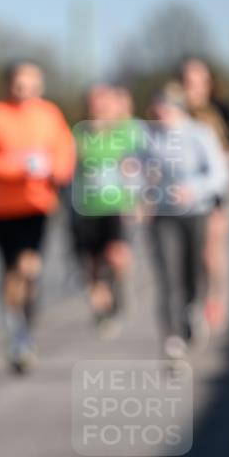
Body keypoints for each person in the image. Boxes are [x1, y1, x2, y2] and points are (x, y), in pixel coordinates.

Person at [0, 61, 75, 372]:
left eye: (32, 84)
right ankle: (15, 328)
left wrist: (54, 169)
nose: (25, 90)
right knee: (12, 273)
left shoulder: (49, 114)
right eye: (20, 83)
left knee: (29, 268)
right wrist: (17, 166)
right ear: (9, 84)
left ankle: (25, 328)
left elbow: (65, 153)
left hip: (37, 207)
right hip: (3, 210)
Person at [143, 82, 228, 361]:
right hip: (162, 215)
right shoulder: (148, 136)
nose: (162, 113)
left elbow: (218, 174)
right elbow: (134, 169)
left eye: (167, 107)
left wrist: (194, 189)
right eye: (158, 107)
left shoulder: (199, 134)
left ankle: (192, 309)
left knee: (192, 271)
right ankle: (172, 337)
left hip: (195, 213)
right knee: (167, 275)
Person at [70, 85, 145, 338]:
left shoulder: (128, 132)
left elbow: (141, 167)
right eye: (94, 103)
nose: (98, 108)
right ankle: (104, 312)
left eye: (104, 103)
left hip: (117, 206)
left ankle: (120, 289)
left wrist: (138, 200)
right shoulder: (79, 135)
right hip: (87, 209)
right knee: (92, 267)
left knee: (117, 255)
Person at [180, 58, 229, 330]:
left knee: (211, 250)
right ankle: (194, 300)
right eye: (188, 81)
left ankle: (215, 298)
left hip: (216, 189)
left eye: (199, 80)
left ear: (209, 82)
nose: (193, 87)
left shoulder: (220, 109)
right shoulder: (175, 109)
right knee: (191, 252)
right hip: (185, 192)